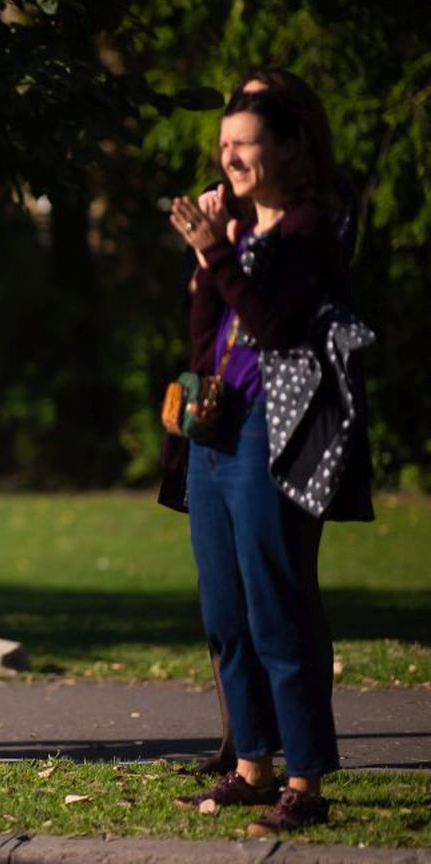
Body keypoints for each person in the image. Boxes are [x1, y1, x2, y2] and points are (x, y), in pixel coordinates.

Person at [166, 81, 374, 836]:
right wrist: (207, 263)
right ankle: (250, 765)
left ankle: (305, 780)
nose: (229, 158)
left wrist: (214, 251)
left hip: (269, 434)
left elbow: (277, 326)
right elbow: (205, 338)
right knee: (224, 612)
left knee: (275, 608)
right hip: (213, 431)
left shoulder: (308, 231)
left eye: (242, 144)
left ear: (286, 148)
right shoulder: (241, 234)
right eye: (224, 147)